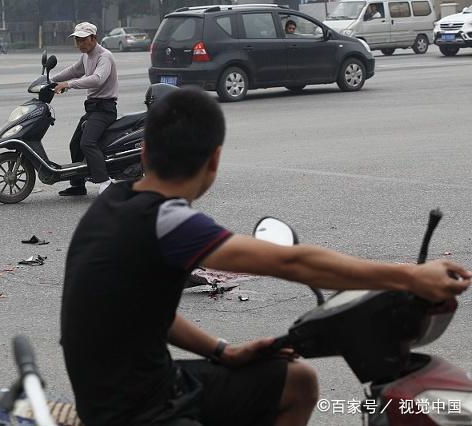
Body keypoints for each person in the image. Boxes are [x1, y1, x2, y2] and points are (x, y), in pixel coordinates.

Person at [60, 88, 471, 426]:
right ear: (215, 160)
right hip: (136, 412)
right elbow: (290, 262)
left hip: (141, 387)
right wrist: (412, 277)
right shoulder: (167, 220)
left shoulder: (113, 202)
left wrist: (223, 351)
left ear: (145, 151)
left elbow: (144, 310)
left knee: (297, 382)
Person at [52, 22, 118, 196]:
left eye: (83, 39)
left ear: (93, 38)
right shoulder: (86, 56)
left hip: (105, 109)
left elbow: (97, 79)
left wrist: (68, 84)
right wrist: (51, 79)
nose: (80, 43)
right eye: (77, 40)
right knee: (75, 144)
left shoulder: (105, 56)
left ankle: (104, 182)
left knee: (87, 142)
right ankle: (78, 185)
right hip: (93, 109)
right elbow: (74, 70)